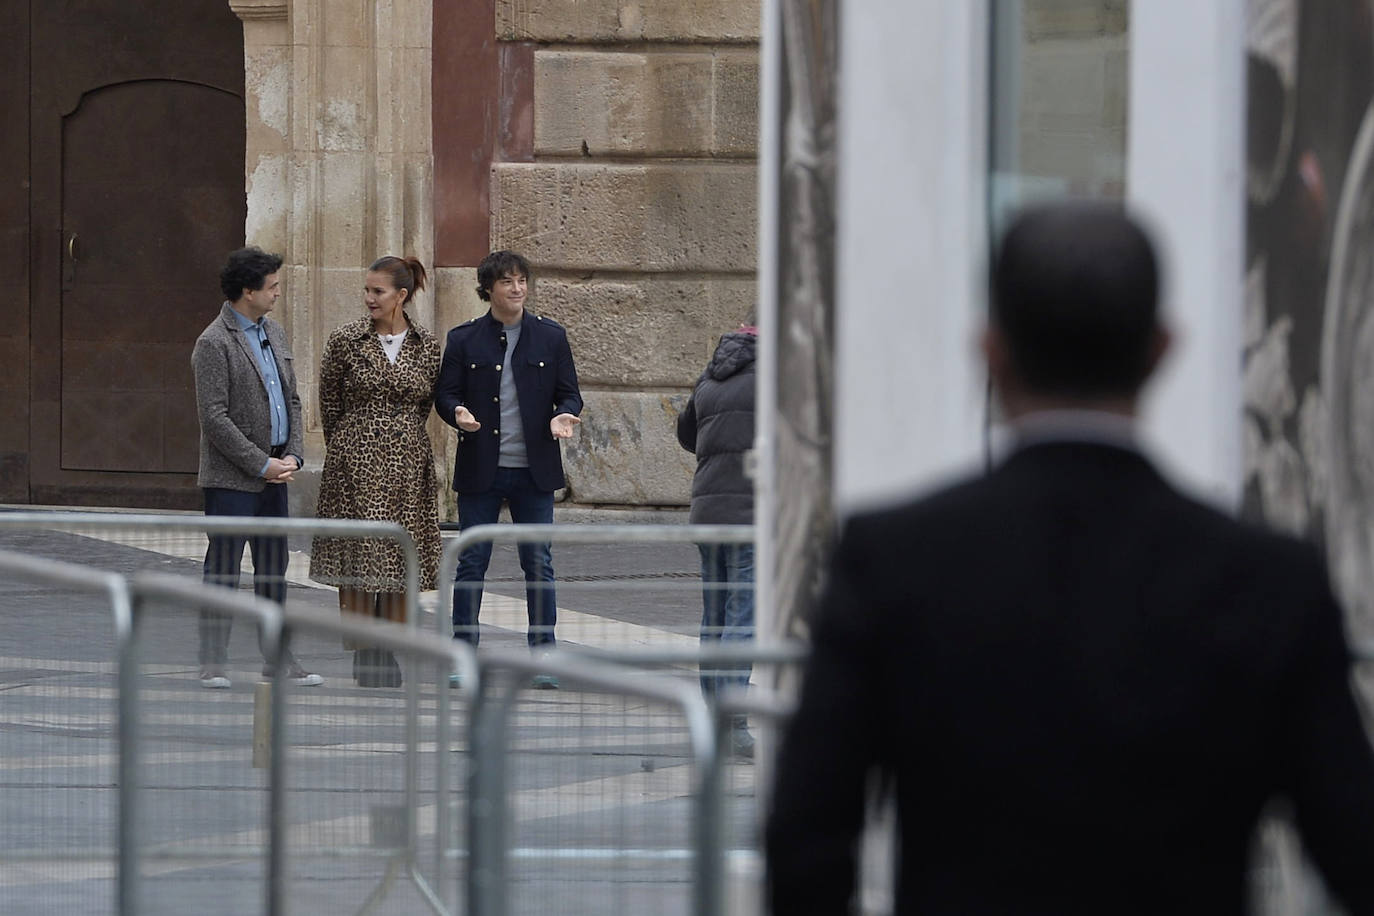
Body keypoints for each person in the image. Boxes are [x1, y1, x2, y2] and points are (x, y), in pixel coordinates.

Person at [766, 203, 1374, 915]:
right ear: (1160, 350)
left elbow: (806, 837)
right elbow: (1353, 845)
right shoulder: (1269, 581)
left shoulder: (893, 560)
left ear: (991, 352)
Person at [434, 250, 582, 688]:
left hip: (534, 470)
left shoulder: (551, 337)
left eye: (521, 281)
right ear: (489, 289)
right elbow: (446, 393)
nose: (517, 288)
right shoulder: (464, 339)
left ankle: (544, 655)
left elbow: (570, 394)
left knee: (538, 563)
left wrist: (564, 415)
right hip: (482, 467)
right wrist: (457, 411)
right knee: (472, 562)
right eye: (507, 282)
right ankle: (463, 654)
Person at [191, 246, 322, 689]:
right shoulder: (214, 341)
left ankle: (278, 656)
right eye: (272, 287)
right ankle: (213, 659)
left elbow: (293, 398)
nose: (277, 294)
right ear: (248, 291)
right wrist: (259, 463)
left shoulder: (276, 333)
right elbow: (214, 417)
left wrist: (294, 455)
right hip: (233, 477)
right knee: (224, 567)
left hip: (276, 471)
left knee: (273, 566)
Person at [309, 256, 442, 687]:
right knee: (360, 555)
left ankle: (390, 644)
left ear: (401, 296)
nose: (369, 298)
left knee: (398, 554)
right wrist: (349, 445)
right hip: (355, 458)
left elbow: (426, 403)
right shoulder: (346, 339)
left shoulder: (426, 344)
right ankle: (365, 648)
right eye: (366, 290)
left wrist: (400, 437)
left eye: (377, 291)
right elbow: (329, 402)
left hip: (406, 461)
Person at [676, 319, 758, 758]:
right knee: (743, 619)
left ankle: (712, 716)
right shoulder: (775, 377)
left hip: (708, 510)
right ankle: (733, 721)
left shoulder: (711, 374)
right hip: (749, 512)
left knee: (716, 617)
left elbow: (687, 434)